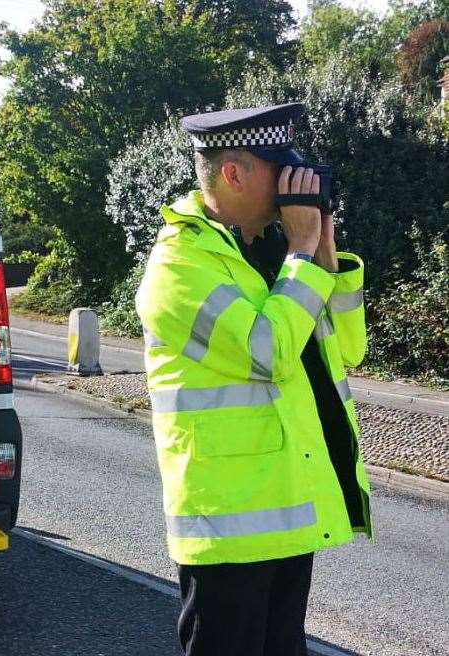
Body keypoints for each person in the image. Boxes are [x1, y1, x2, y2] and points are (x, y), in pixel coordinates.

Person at [135, 102, 372, 656]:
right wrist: (301, 253)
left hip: (287, 514)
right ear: (234, 173)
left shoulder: (270, 254)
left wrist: (324, 251)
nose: (295, 180)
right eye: (280, 167)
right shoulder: (180, 266)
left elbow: (350, 351)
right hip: (227, 531)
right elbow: (268, 353)